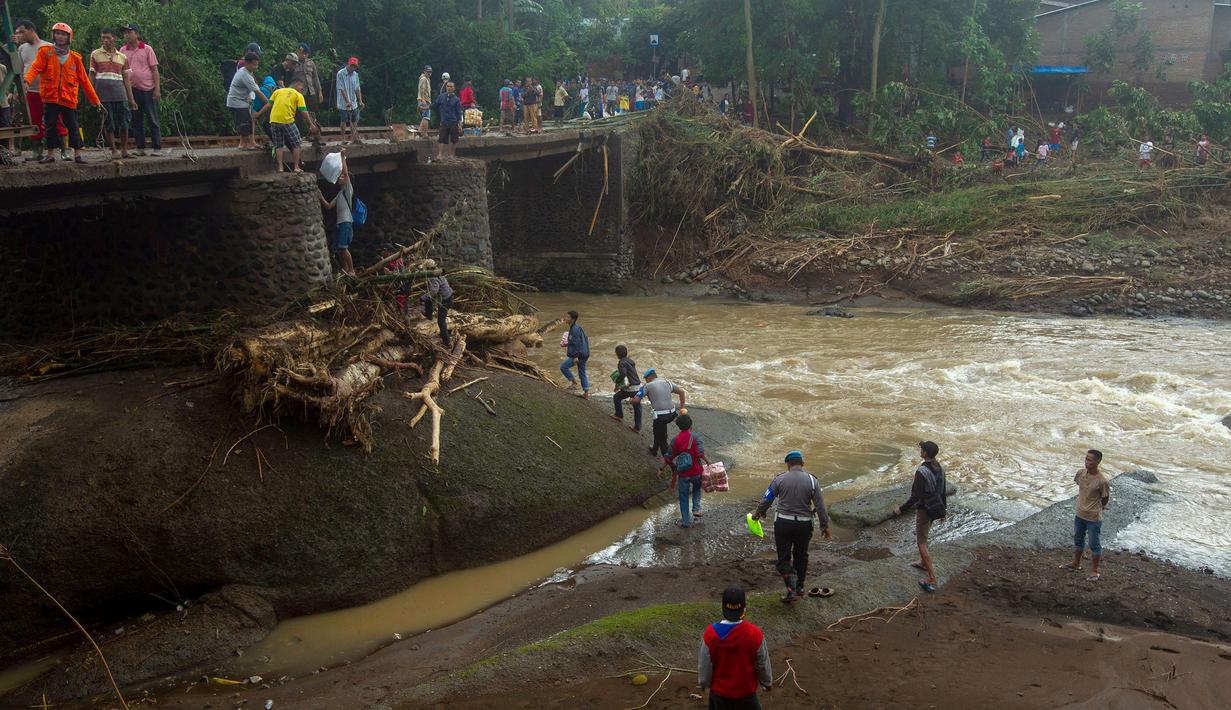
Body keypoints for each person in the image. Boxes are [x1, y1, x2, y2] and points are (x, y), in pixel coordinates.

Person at [752, 451, 830, 603]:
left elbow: (766, 499)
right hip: (804, 524)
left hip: (783, 523)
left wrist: (758, 513)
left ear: (788, 464)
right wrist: (824, 525)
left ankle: (791, 589)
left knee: (783, 559)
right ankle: (800, 587)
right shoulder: (812, 480)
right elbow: (820, 506)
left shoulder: (779, 479)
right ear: (802, 464)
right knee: (802, 555)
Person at [24, 22, 102, 164]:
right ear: (53, 35)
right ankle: (51, 154)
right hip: (50, 98)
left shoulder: (75, 58)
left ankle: (77, 154)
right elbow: (35, 68)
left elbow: (85, 81)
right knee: (50, 126)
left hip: (69, 99)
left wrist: (96, 101)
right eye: (57, 33)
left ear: (69, 37)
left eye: (63, 34)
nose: (60, 37)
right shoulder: (45, 52)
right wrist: (27, 81)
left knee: (72, 126)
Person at [699, 586, 772, 710]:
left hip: (719, 695)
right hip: (746, 694)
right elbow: (762, 663)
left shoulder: (710, 634)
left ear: (723, 608)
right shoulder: (755, 634)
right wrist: (767, 682)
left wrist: (704, 683)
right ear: (743, 609)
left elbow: (705, 664)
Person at [892, 441, 947, 593]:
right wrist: (943, 511)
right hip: (936, 508)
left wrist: (901, 510)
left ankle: (932, 577)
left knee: (921, 542)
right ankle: (923, 563)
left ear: (925, 454)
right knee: (924, 536)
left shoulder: (921, 471)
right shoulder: (939, 467)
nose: (920, 450)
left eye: (921, 449)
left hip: (925, 509)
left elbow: (915, 496)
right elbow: (942, 490)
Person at [14, 19, 69, 161]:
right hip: (30, 90)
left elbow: (61, 68)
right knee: (35, 121)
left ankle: (64, 150)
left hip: (49, 91)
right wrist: (17, 90)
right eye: (18, 32)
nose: (19, 35)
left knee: (56, 120)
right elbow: (20, 71)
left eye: (22, 31)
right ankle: (37, 151)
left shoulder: (49, 46)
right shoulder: (21, 48)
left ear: (31, 30)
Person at [1061, 449, 1110, 582]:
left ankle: (1094, 571)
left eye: (1090, 460)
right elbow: (1081, 487)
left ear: (1098, 462)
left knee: (1094, 543)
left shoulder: (1102, 481)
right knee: (1078, 539)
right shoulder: (1081, 473)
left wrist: (1101, 507)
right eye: (1086, 459)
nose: (1086, 462)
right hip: (1080, 514)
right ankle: (1076, 563)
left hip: (1093, 517)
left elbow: (1105, 498)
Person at [89, 28, 137, 160]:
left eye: (108, 37)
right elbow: (91, 75)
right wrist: (91, 95)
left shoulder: (122, 57)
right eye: (103, 37)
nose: (105, 40)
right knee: (108, 123)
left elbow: (126, 79)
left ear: (114, 38)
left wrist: (131, 99)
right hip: (103, 95)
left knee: (124, 123)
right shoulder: (95, 54)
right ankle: (114, 150)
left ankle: (124, 150)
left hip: (120, 94)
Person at [253, 79, 315, 172]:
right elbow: (303, 111)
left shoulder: (277, 91)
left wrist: (258, 114)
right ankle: (296, 167)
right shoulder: (298, 95)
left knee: (278, 145)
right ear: (297, 85)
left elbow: (268, 105)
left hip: (273, 120)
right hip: (287, 120)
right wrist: (311, 124)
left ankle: (280, 168)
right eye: (302, 88)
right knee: (296, 144)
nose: (302, 90)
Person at [118, 23, 161, 156]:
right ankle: (140, 147)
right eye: (125, 33)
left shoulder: (147, 49)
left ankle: (157, 147)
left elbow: (155, 70)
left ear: (137, 34)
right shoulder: (123, 50)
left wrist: (157, 89)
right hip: (132, 90)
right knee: (136, 120)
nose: (126, 35)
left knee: (152, 119)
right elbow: (121, 70)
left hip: (148, 88)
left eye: (129, 32)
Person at [666, 414, 709, 528]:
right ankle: (696, 509)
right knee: (696, 489)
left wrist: (663, 466)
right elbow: (700, 454)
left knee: (683, 497)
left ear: (679, 427)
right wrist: (708, 462)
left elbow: (669, 456)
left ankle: (685, 522)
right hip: (696, 471)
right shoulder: (696, 437)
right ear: (691, 424)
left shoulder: (676, 440)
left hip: (683, 473)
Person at [318, 151, 355, 273]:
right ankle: (344, 269)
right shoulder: (339, 194)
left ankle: (351, 270)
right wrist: (320, 195)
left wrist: (343, 157)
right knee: (339, 249)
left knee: (343, 248)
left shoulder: (347, 190)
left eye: (343, 177)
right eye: (340, 176)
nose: (341, 177)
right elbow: (328, 206)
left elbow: (345, 172)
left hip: (346, 222)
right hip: (340, 223)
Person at [638, 369, 686, 457]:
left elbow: (637, 399)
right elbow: (682, 392)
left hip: (661, 416)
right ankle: (654, 448)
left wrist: (631, 400)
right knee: (658, 430)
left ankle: (671, 464)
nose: (646, 380)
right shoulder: (667, 382)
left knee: (662, 439)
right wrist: (682, 407)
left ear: (650, 377)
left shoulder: (648, 385)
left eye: (646, 378)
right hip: (672, 414)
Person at [226, 53, 261, 150]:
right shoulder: (245, 74)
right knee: (244, 124)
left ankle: (246, 143)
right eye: (254, 65)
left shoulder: (246, 72)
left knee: (247, 122)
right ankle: (244, 144)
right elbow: (258, 92)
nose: (256, 67)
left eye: (257, 64)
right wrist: (269, 103)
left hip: (241, 101)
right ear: (247, 63)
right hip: (237, 102)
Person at [420, 259, 453, 347]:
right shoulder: (438, 272)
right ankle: (429, 314)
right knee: (428, 299)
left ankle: (447, 342)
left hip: (446, 300)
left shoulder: (433, 276)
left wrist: (422, 298)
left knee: (441, 321)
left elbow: (434, 292)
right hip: (447, 296)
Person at [611, 344, 642, 432]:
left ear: (617, 354)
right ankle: (637, 427)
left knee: (616, 397)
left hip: (631, 387)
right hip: (637, 386)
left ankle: (618, 415)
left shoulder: (621, 362)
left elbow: (623, 374)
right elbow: (631, 374)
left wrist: (617, 383)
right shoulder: (630, 361)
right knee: (637, 405)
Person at [560, 310, 590, 398]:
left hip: (579, 355)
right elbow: (582, 340)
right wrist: (567, 344)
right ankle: (586, 393)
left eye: (567, 317)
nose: (565, 318)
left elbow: (577, 343)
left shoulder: (574, 329)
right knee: (582, 373)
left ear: (573, 319)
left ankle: (574, 383)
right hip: (584, 354)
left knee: (563, 367)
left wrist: (576, 356)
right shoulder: (576, 327)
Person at [336, 57, 364, 145]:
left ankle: (353, 138)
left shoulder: (355, 75)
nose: (353, 68)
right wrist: (347, 101)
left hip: (353, 101)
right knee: (344, 120)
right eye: (351, 66)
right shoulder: (341, 73)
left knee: (354, 120)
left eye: (354, 66)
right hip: (343, 102)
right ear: (348, 64)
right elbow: (341, 89)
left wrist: (360, 101)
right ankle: (343, 139)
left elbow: (357, 88)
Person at [432, 80, 462, 161]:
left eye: (451, 86)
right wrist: (425, 107)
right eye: (448, 86)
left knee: (454, 139)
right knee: (441, 138)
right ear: (446, 87)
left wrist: (460, 124)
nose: (449, 88)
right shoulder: (441, 96)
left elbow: (459, 112)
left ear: (454, 88)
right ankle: (440, 155)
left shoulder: (456, 100)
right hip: (444, 121)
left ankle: (451, 155)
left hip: (453, 121)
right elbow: (434, 105)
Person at [417, 65, 433, 139]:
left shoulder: (426, 79)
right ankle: (424, 133)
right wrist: (423, 100)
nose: (429, 73)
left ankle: (421, 131)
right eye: (428, 72)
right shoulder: (424, 79)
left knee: (425, 117)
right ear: (424, 71)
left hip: (425, 100)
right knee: (426, 117)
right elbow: (422, 90)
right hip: (424, 100)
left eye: (430, 72)